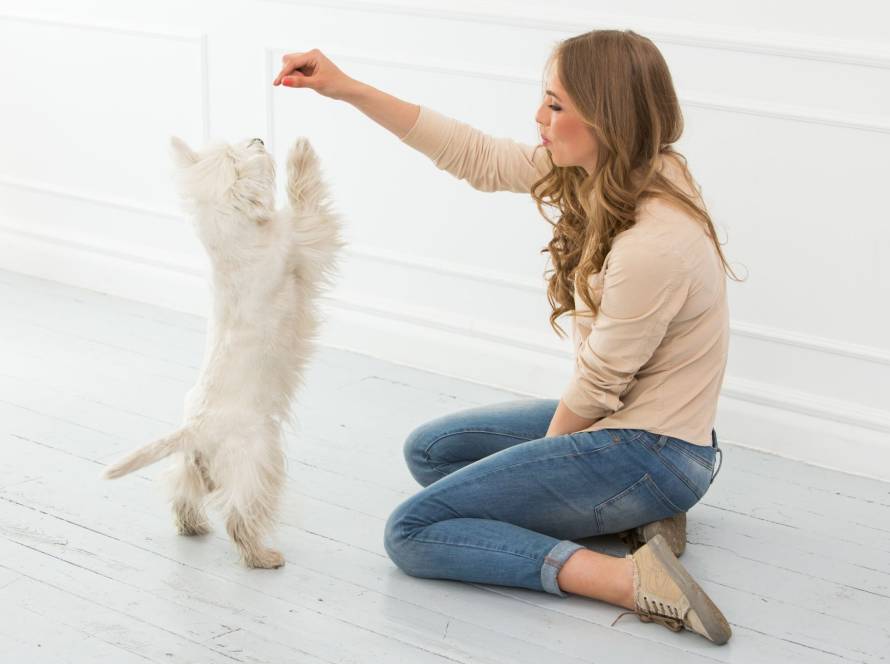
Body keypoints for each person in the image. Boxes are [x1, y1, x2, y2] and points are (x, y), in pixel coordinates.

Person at [273, 28, 742, 645]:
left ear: (607, 118)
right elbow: (478, 157)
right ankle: (640, 512)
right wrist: (347, 88)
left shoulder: (656, 241)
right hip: (635, 428)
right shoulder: (622, 166)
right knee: (430, 453)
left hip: (656, 450)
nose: (539, 117)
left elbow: (599, 385)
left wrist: (540, 463)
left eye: (556, 104)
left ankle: (632, 579)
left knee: (412, 532)